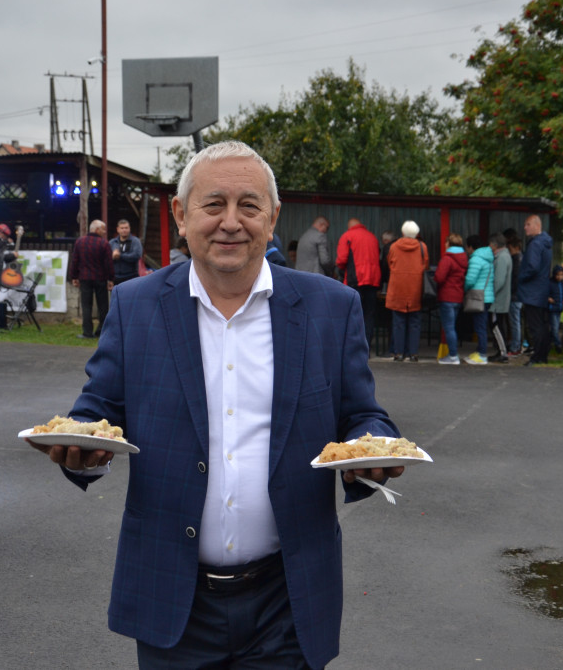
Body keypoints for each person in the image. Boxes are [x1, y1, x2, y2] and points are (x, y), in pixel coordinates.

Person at [26, 140, 403, 669]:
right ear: (181, 215)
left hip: (287, 598)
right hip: (171, 594)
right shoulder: (136, 307)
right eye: (213, 205)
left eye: (249, 206)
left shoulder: (329, 309)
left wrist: (376, 450)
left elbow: (362, 414)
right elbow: (98, 408)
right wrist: (81, 443)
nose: (231, 222)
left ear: (272, 219)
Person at [386, 220, 429, 361]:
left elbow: (389, 263)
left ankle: (398, 353)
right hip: (415, 288)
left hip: (397, 288)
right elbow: (426, 265)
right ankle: (413, 353)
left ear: (403, 232)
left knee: (398, 322)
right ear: (416, 233)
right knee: (415, 322)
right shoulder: (422, 247)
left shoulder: (394, 246)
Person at [336, 217, 382, 347]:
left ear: (349, 226)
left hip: (354, 280)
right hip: (373, 281)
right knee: (369, 314)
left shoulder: (347, 236)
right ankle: (367, 345)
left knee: (352, 313)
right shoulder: (372, 237)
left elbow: (341, 260)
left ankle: (354, 345)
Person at [517, 214, 554, 366]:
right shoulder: (546, 244)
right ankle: (542, 356)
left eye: (528, 224)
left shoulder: (535, 244)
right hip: (542, 289)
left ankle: (536, 357)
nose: (525, 228)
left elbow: (532, 267)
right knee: (543, 325)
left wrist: (520, 277)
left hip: (532, 291)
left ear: (536, 225)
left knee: (535, 326)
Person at [70, 219, 115, 339]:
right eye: (103, 229)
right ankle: (101, 331)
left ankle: (87, 332)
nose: (105, 232)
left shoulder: (80, 242)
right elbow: (108, 263)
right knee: (103, 306)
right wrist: (110, 279)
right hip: (100, 278)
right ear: (97, 229)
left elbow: (75, 260)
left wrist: (74, 276)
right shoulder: (104, 243)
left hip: (84, 278)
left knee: (86, 306)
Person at [434, 232, 469, 365]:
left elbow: (439, 277)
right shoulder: (463, 258)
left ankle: (453, 356)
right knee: (452, 326)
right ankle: (453, 354)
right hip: (458, 297)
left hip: (447, 296)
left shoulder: (447, 258)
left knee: (448, 327)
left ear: (448, 243)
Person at [463, 234, 494, 365]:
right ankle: (479, 352)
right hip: (487, 296)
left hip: (478, 297)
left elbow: (470, 280)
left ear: (470, 247)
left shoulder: (476, 259)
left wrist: (463, 288)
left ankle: (481, 355)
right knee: (481, 325)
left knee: (480, 327)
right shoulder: (488, 258)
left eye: (467, 247)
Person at [487, 232, 512, 363]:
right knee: (498, 325)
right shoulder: (505, 256)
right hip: (500, 299)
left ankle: (502, 352)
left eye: (490, 245)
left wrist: (490, 294)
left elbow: (499, 281)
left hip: (498, 300)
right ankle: (501, 351)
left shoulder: (502, 258)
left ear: (495, 245)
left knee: (496, 325)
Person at [504, 228, 524, 356]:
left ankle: (516, 346)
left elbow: (514, 279)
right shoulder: (522, 258)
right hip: (520, 294)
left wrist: (509, 292)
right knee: (516, 321)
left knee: (514, 321)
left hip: (515, 295)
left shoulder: (516, 260)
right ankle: (516, 344)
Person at [110, 219, 143, 285]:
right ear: (118, 229)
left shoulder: (135, 241)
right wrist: (113, 256)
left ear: (129, 229)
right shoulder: (112, 242)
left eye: (126, 228)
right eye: (122, 228)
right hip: (116, 277)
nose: (124, 230)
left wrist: (120, 256)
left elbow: (137, 255)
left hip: (131, 276)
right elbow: (106, 258)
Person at [547, 265, 563, 353]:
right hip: (552, 308)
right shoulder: (550, 283)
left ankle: (550, 344)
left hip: (559, 308)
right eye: (558, 275)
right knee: (555, 328)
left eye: (561, 275)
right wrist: (548, 298)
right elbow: (546, 293)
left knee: (554, 328)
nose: (559, 277)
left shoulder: (562, 285)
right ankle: (558, 345)